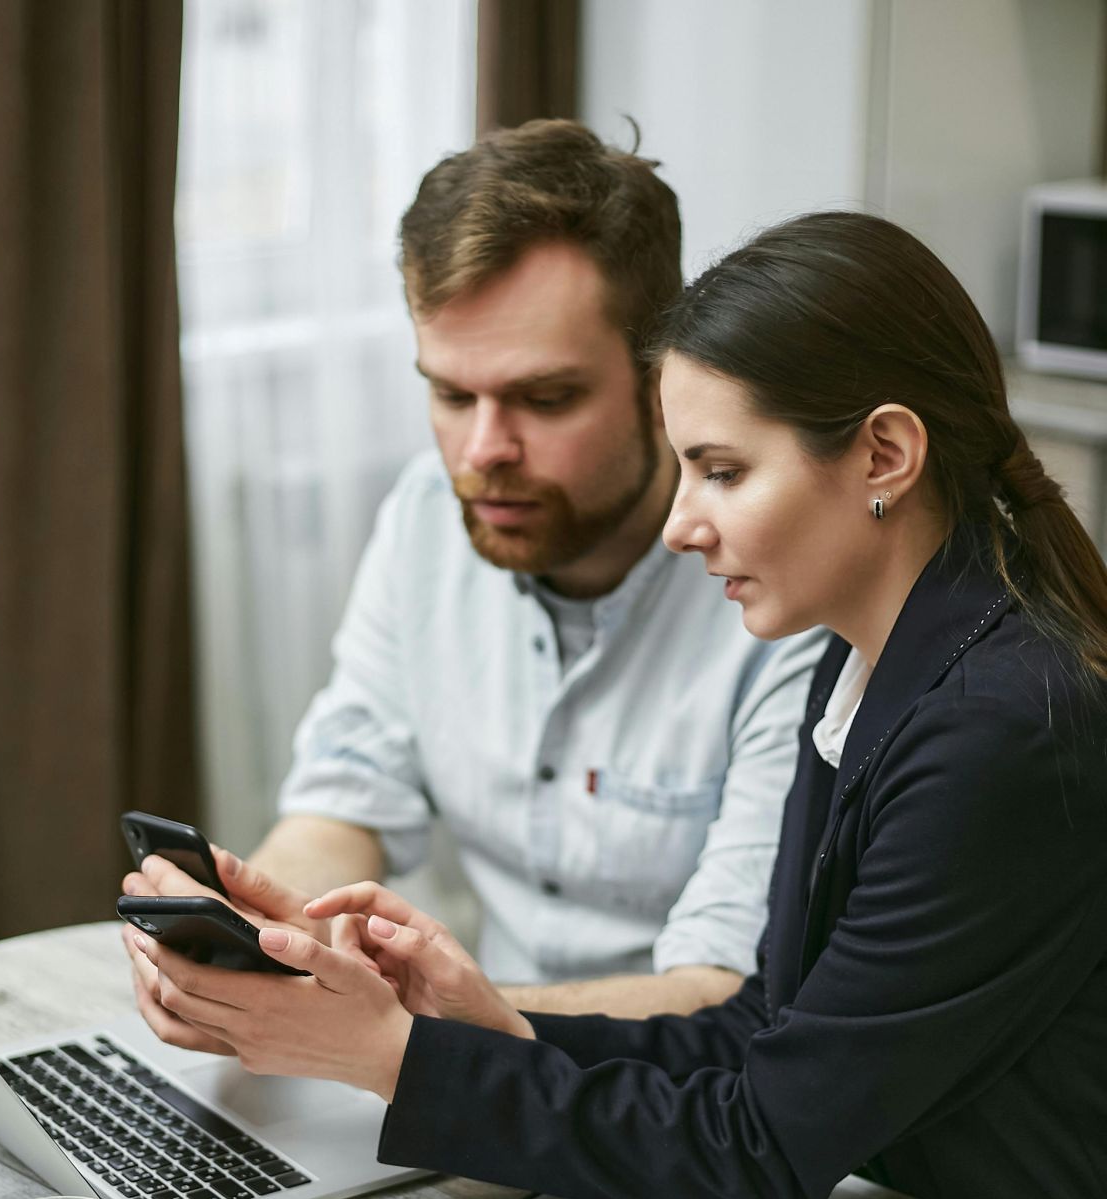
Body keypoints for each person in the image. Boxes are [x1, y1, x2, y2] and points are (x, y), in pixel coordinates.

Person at [124, 210, 1107, 1199]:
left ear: (885, 456)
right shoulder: (868, 655)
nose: (683, 525)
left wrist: (390, 1058)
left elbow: (765, 1146)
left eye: (723, 471)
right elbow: (764, 1031)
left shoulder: (1000, 730)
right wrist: (470, 1025)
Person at [244, 119, 823, 1019]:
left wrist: (419, 1025)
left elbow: (723, 993)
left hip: (688, 1101)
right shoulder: (427, 518)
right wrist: (256, 932)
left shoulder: (786, 591)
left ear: (660, 376)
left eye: (545, 399)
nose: (483, 452)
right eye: (448, 393)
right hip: (483, 1062)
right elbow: (349, 793)